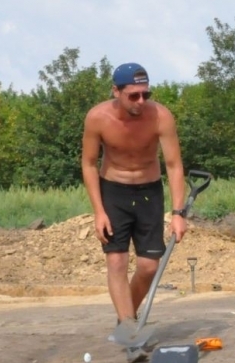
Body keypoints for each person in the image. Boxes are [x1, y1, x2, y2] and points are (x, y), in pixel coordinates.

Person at [80, 63, 189, 345]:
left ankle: (124, 316)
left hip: (148, 193)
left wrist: (178, 213)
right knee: (116, 260)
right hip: (113, 192)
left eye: (146, 94)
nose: (141, 101)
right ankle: (129, 328)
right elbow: (89, 164)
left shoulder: (161, 117)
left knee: (148, 267)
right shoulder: (97, 118)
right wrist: (99, 211)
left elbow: (175, 166)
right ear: (115, 91)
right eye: (134, 96)